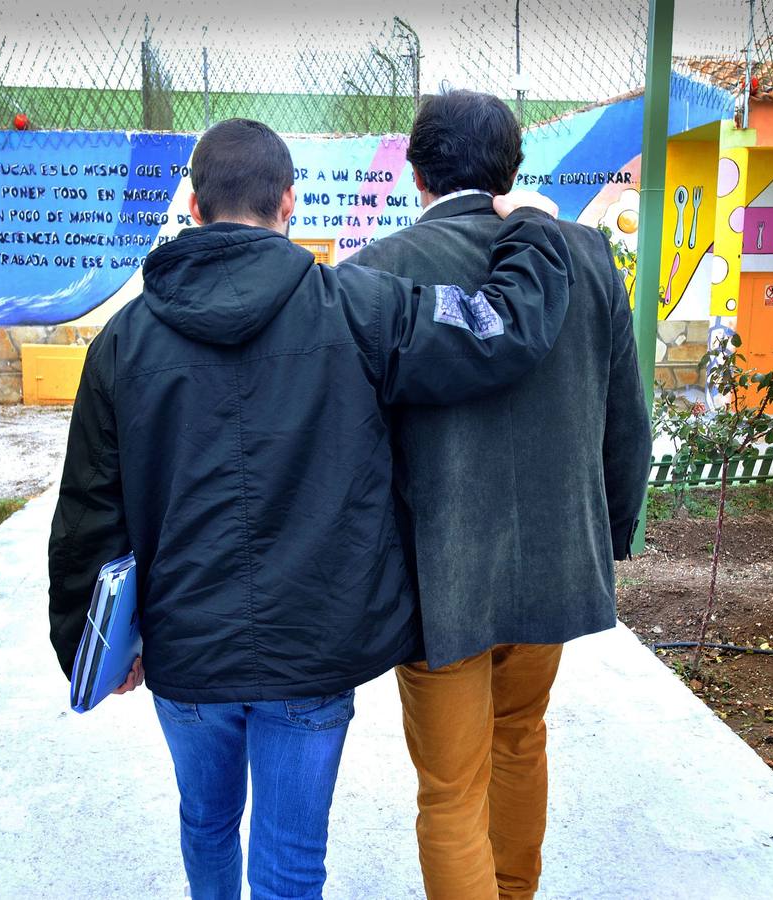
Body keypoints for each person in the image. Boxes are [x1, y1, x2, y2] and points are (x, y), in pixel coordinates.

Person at [46, 117, 573, 900]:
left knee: (205, 826)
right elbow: (498, 333)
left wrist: (88, 645)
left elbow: (88, 509)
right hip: (313, 650)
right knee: (293, 857)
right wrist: (530, 227)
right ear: (289, 203)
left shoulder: (122, 342)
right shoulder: (362, 307)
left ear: (193, 205)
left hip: (185, 652)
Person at [345, 90, 652, 900]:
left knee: (450, 788)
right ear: (512, 168)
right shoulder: (588, 258)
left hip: (437, 579)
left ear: (415, 172)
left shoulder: (377, 274)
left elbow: (351, 450)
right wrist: (611, 533)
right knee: (521, 741)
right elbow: (627, 419)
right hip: (553, 563)